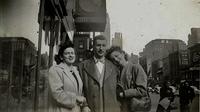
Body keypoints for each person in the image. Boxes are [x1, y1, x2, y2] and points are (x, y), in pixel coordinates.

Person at [78, 35, 121, 112]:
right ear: (93, 47)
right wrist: (84, 105)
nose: (101, 48)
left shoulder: (114, 67)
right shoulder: (83, 66)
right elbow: (79, 89)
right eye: (98, 45)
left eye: (103, 45)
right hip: (90, 108)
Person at [48, 43, 90, 112]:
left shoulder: (76, 70)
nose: (71, 55)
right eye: (67, 53)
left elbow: (80, 92)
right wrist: (75, 98)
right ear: (61, 57)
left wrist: (84, 106)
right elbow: (57, 94)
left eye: (72, 53)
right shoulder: (55, 70)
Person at [105, 46, 148, 112]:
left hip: (136, 107)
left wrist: (124, 94)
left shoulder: (136, 67)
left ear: (122, 53)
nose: (116, 60)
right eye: (113, 59)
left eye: (116, 56)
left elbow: (142, 90)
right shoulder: (116, 72)